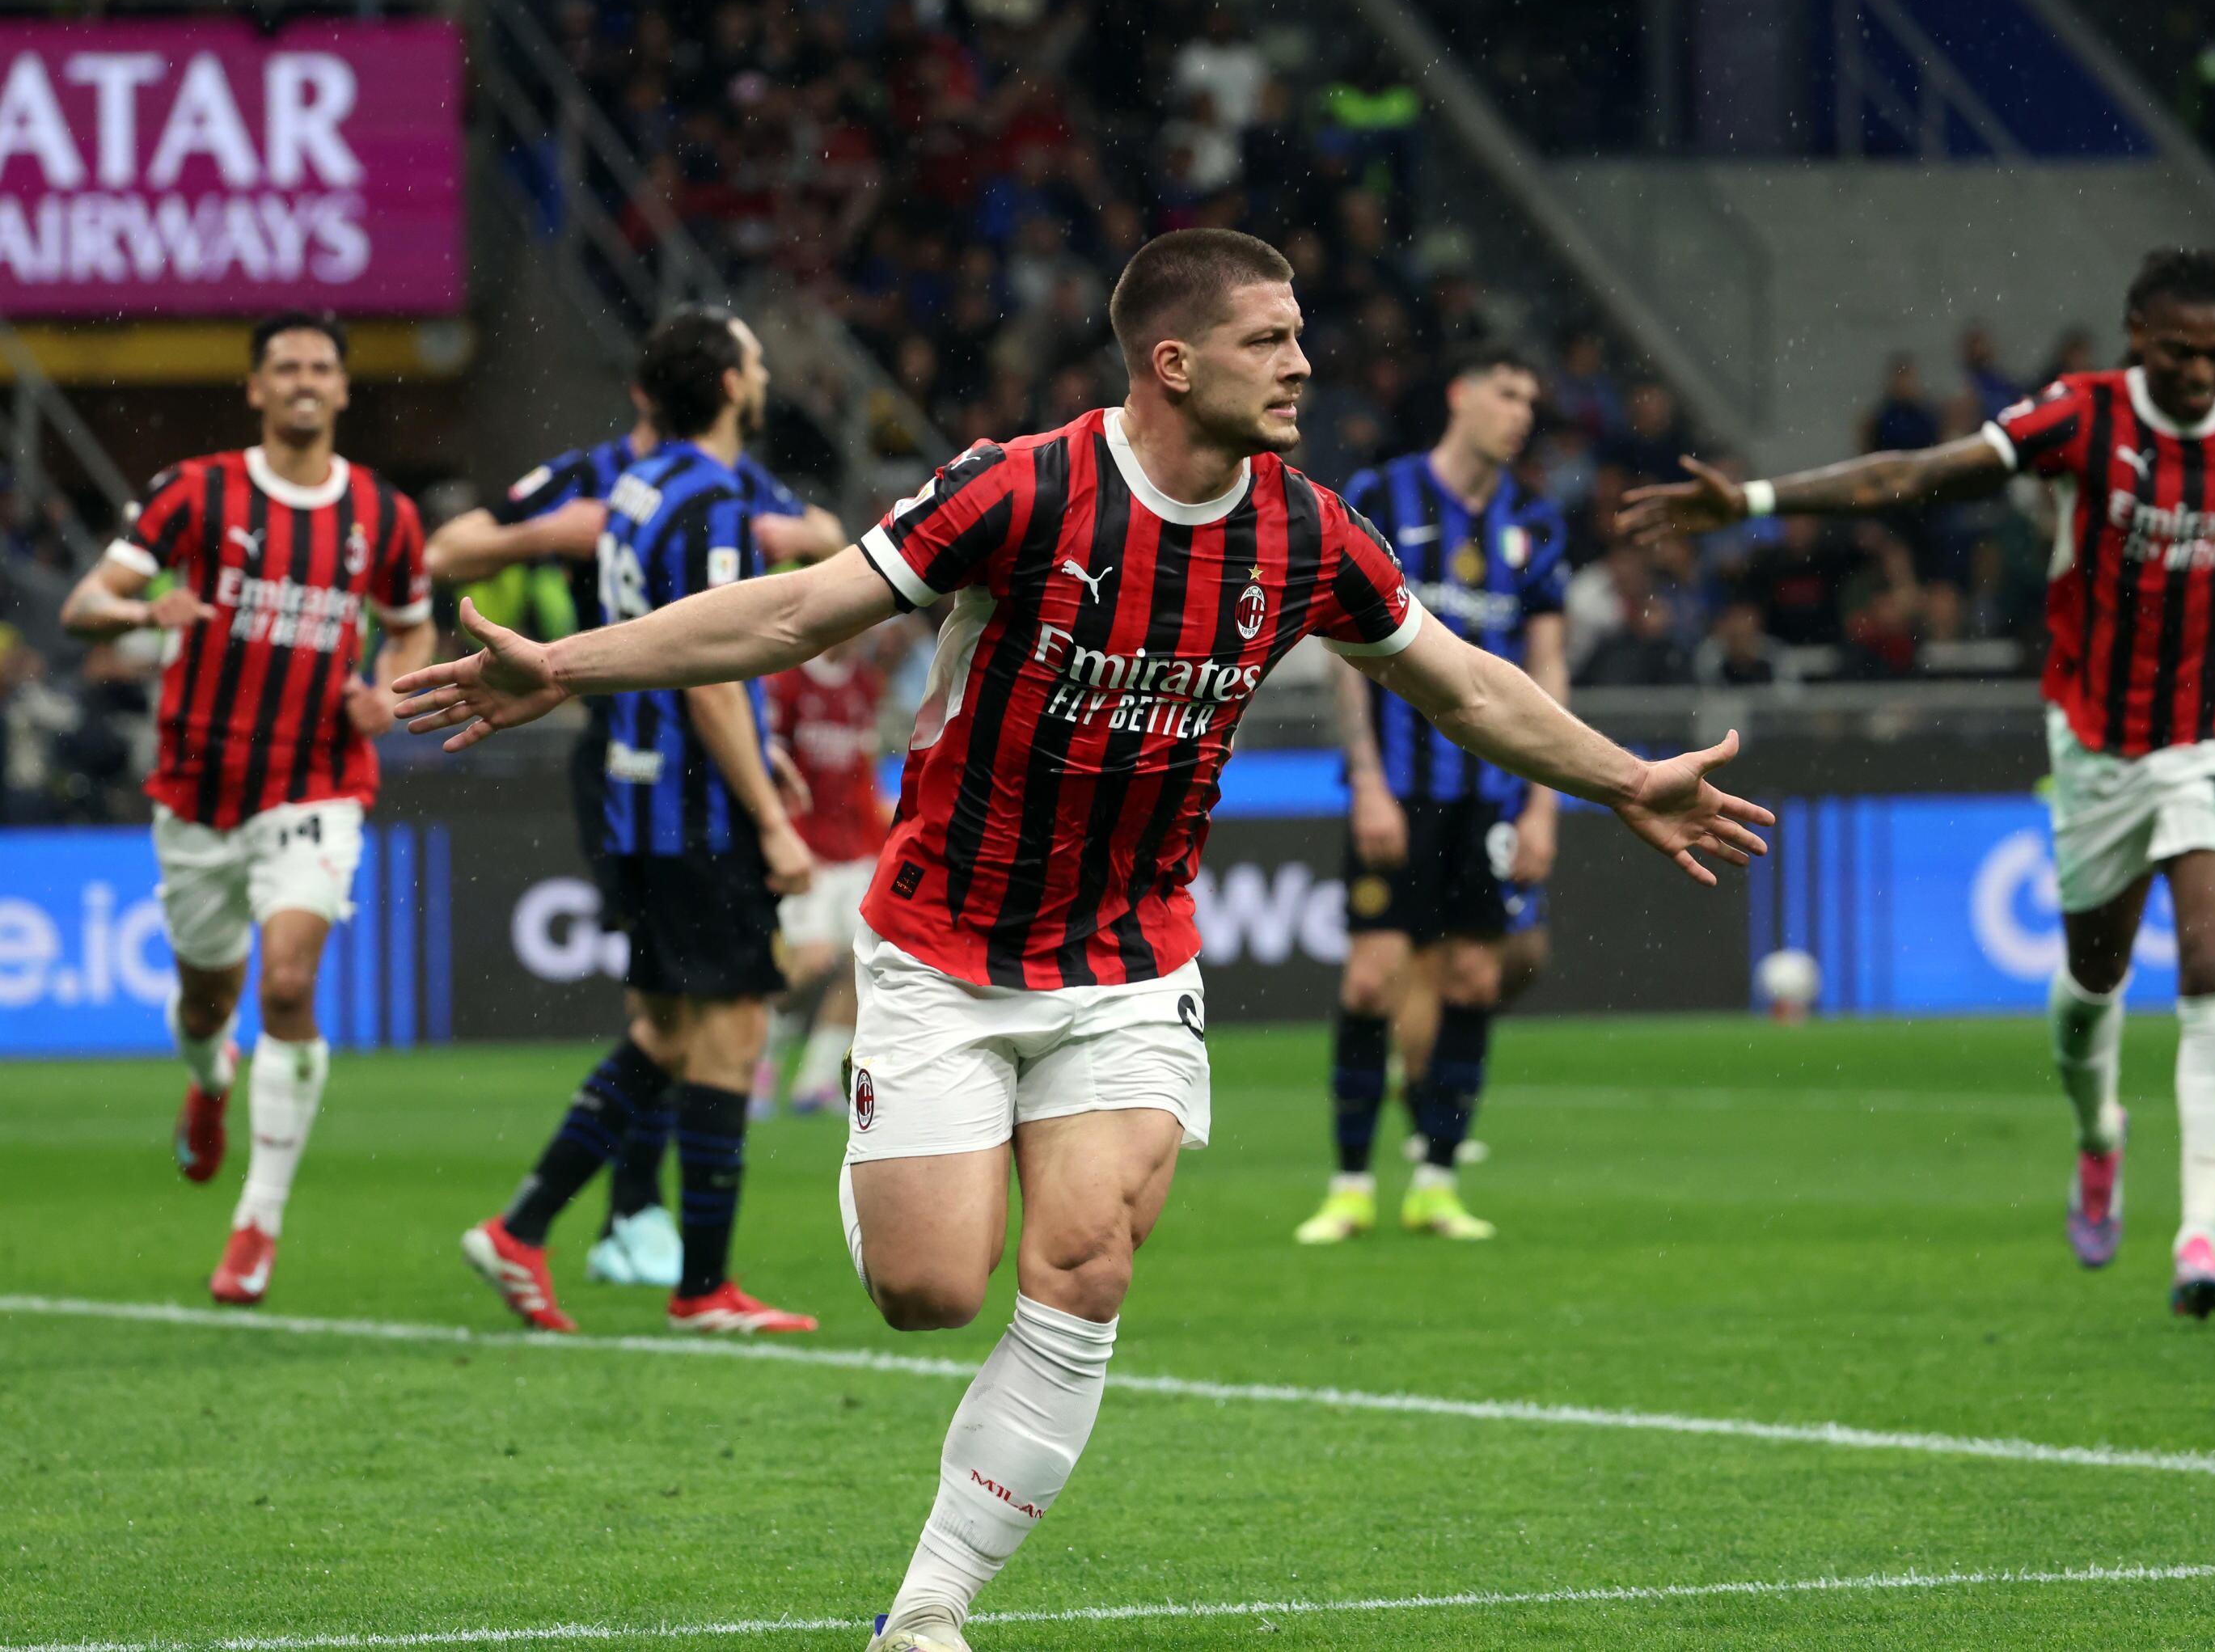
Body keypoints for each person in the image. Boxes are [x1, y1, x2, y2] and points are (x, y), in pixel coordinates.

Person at [394, 228, 1771, 1652]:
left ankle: (929, 1606)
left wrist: (1623, 777)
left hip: (1130, 959)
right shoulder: (1019, 487)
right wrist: (566, 664)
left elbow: (1465, 685)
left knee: (1087, 1260)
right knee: (931, 1289)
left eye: (1300, 335)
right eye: (1268, 339)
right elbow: (798, 610)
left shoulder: (1309, 531)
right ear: (1171, 362)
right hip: (942, 945)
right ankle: (891, 1138)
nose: (1303, 363)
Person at [1620, 247, 2215, 1320]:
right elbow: (1910, 476)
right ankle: (2098, 1134)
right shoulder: (2082, 417)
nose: (2201, 372)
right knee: (2092, 983)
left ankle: (2201, 1238)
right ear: (2138, 336)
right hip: (2099, 747)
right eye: (2180, 352)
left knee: (2211, 960)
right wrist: (1754, 497)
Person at [455, 306, 831, 1337]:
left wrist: (762, 749)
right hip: (695, 806)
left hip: (634, 793)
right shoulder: (714, 498)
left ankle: (522, 1229)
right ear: (728, 383)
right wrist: (770, 816)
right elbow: (711, 669)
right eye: (755, 361)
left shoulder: (637, 486)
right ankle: (704, 1287)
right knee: (732, 1031)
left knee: (665, 1030)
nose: (764, 375)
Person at [60, 312, 435, 1305]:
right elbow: (84, 604)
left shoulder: (385, 515)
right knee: (205, 1006)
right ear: (256, 388)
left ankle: (256, 1224)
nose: (305, 380)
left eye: (321, 366)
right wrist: (144, 610)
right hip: (199, 791)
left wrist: (388, 691)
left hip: (316, 781)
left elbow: (411, 629)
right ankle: (211, 1079)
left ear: (343, 388)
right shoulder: (195, 491)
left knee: (288, 986)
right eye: (286, 367)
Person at [1296, 343, 1567, 1245]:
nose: (1521, 412)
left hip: (1493, 793)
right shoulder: (1382, 495)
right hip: (1400, 786)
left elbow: (1549, 666)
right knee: (1372, 976)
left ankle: (1437, 1180)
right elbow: (1343, 650)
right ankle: (1348, 1185)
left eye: (1530, 398)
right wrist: (1367, 778)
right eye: (1507, 391)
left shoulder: (1536, 520)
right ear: (1461, 394)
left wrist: (1543, 800)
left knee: (1475, 975)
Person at [755, 627, 908, 1118]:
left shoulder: (863, 682)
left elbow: (861, 769)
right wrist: (777, 839)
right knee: (810, 960)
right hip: (805, 850)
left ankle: (816, 1081)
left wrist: (880, 834)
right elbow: (767, 771)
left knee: (861, 966)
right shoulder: (787, 682)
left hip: (854, 851)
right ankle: (754, 1059)